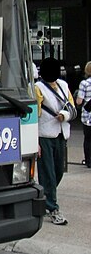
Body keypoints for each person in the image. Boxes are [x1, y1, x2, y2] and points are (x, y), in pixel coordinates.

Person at [34, 57, 73, 225]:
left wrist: (64, 115)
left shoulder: (63, 85)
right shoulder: (38, 88)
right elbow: (34, 115)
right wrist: (34, 140)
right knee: (48, 173)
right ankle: (52, 207)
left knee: (58, 171)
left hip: (61, 133)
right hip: (44, 135)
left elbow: (71, 106)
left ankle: (44, 197)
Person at [75, 61, 91, 168]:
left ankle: (89, 161)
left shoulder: (84, 83)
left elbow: (79, 102)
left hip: (88, 116)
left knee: (88, 139)